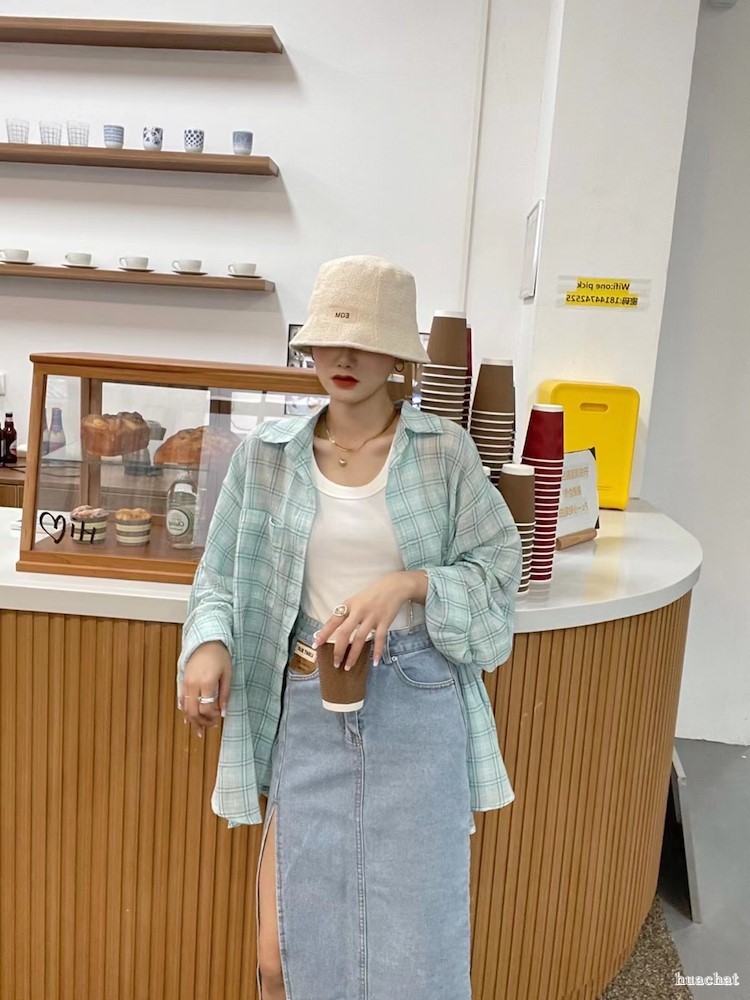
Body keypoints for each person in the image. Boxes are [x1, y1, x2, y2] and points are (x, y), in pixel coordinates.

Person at [177, 255, 522, 1000]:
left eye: (365, 342)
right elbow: (218, 576)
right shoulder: (267, 456)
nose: (343, 357)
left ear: (397, 357)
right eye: (331, 339)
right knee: (282, 953)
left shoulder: (443, 453)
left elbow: (499, 574)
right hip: (309, 700)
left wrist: (410, 583)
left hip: (416, 701)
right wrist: (208, 643)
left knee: (412, 948)